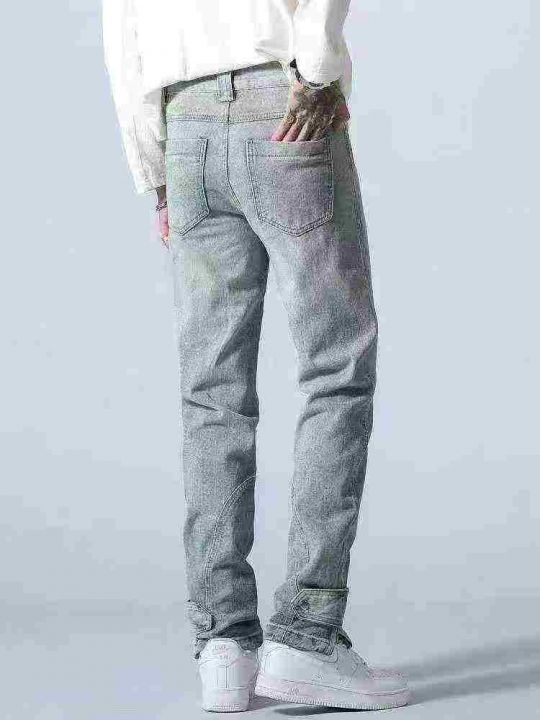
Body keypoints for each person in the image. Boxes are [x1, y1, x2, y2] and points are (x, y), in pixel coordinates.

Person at [102, 0, 411, 712]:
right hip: (284, 108)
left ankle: (224, 646)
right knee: (336, 369)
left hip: (183, 129)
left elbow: (123, 32)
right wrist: (318, 71)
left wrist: (154, 171)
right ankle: (306, 637)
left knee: (211, 394)